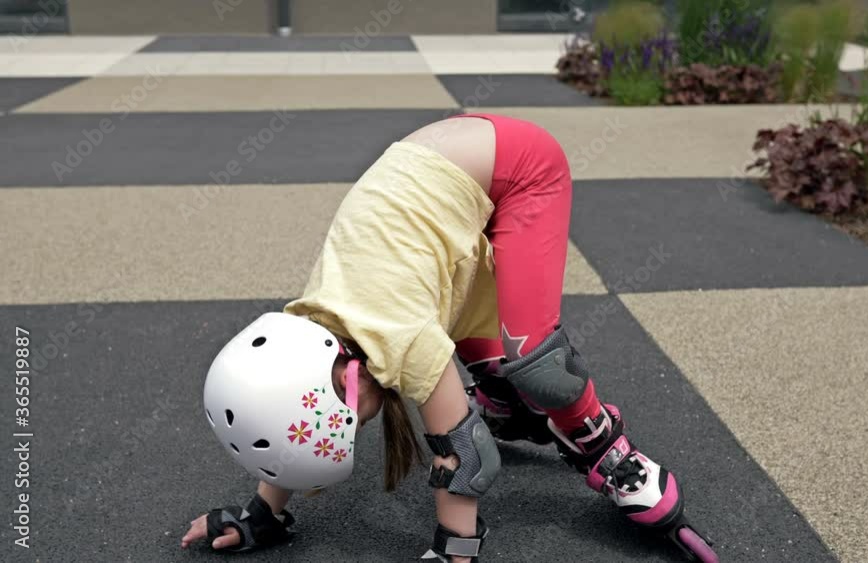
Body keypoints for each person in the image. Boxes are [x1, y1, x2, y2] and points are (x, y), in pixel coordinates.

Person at [180, 114, 717, 562]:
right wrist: (263, 513)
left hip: (519, 164)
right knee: (446, 307)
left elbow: (467, 454)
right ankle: (499, 390)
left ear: (346, 389)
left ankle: (610, 450)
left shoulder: (401, 339)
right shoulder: (312, 331)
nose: (361, 426)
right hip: (436, 163)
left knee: (540, 369)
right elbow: (295, 414)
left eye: (353, 425)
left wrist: (455, 551)